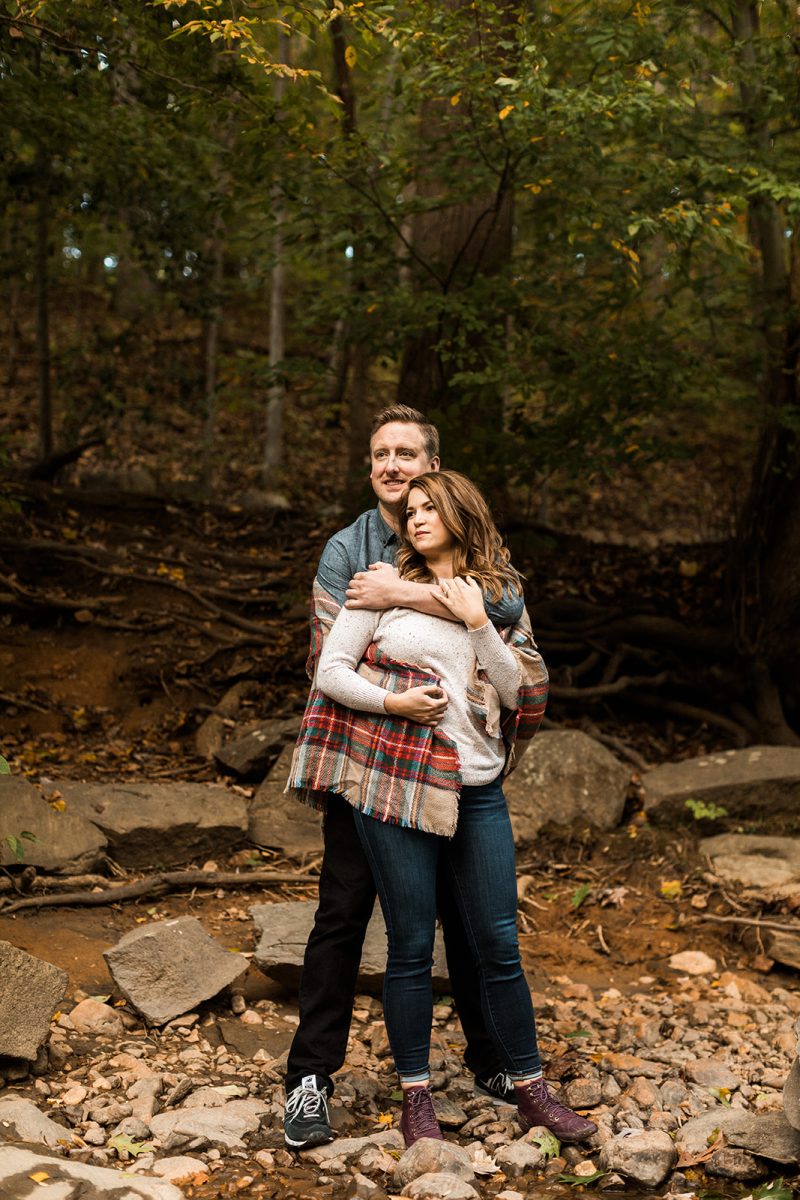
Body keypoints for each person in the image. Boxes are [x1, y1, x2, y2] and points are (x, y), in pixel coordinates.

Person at [288, 470, 598, 1148]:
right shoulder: (377, 587)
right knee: (409, 947)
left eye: (432, 507)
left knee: (497, 943)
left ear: (462, 513)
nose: (417, 515)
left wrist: (477, 622)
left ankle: (531, 1090)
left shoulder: (493, 596)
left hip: (478, 789)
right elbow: (332, 670)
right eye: (413, 508)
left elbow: (518, 691)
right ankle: (416, 1099)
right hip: (397, 787)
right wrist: (394, 703)